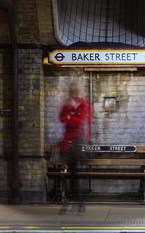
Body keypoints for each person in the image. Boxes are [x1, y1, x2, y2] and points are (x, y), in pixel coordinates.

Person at [58, 83, 91, 214]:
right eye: (71, 93)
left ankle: (78, 202)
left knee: (76, 175)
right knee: (72, 174)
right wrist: (70, 114)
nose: (73, 95)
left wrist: (69, 116)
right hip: (68, 144)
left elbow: (80, 121)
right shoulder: (68, 105)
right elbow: (61, 118)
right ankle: (76, 202)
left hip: (78, 143)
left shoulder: (84, 104)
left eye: (74, 92)